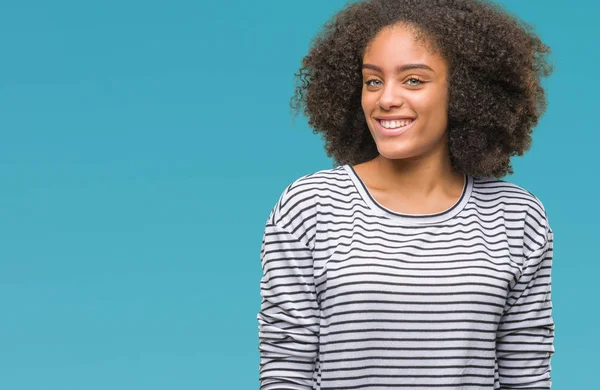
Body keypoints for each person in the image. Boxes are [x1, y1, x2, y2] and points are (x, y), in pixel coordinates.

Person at [257, 0, 555, 388]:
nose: (386, 99)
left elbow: (526, 370)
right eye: (373, 80)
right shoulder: (310, 206)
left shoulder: (517, 217)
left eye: (413, 80)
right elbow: (286, 366)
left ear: (464, 92)